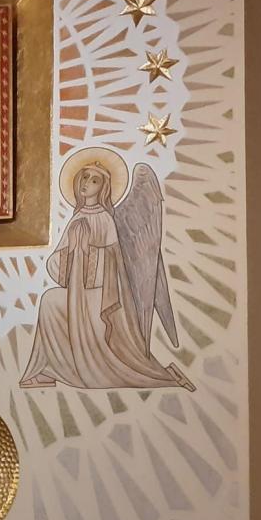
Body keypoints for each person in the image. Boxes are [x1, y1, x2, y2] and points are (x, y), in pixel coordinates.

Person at [20, 160, 193, 391]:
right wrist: (71, 253)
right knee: (49, 300)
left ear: (103, 188)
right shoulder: (78, 216)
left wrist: (86, 252)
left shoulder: (105, 218)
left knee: (52, 301)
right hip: (80, 290)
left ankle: (98, 367)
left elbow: (113, 265)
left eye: (95, 180)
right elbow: (56, 263)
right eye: (85, 177)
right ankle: (50, 369)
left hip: (104, 297)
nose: (87, 184)